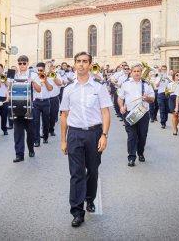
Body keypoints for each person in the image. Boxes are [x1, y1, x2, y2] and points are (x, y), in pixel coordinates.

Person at [60, 51, 112, 227]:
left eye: (85, 61)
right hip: (74, 134)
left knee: (93, 170)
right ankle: (77, 211)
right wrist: (63, 140)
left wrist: (104, 135)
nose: (81, 64)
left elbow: (105, 113)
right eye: (78, 61)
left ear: (90, 64)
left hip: (94, 133)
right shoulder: (68, 89)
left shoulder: (99, 88)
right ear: (74, 64)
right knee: (76, 173)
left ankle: (90, 198)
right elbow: (64, 115)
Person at [118, 64, 155, 166]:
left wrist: (147, 98)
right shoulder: (126, 84)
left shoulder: (146, 84)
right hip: (130, 113)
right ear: (131, 72)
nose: (137, 73)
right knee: (131, 136)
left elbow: (152, 99)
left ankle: (140, 152)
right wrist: (121, 107)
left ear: (141, 72)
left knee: (142, 135)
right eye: (134, 71)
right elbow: (120, 98)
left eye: (138, 71)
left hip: (143, 113)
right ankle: (131, 157)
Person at [11, 55, 39, 162]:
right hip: (17, 107)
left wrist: (33, 81)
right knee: (18, 132)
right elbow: (8, 88)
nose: (22, 65)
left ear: (27, 64)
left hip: (30, 107)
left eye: (24, 63)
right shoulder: (14, 75)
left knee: (30, 132)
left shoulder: (33, 75)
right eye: (20, 63)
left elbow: (39, 89)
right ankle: (19, 154)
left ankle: (31, 149)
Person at [33, 62, 53, 147]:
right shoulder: (34, 78)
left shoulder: (48, 77)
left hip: (46, 102)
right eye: (38, 70)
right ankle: (36, 140)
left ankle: (45, 137)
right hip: (36, 102)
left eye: (41, 70)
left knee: (46, 121)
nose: (40, 71)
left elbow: (50, 88)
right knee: (36, 122)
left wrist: (45, 80)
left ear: (44, 70)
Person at [46, 62, 63, 136]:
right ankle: (45, 130)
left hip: (54, 98)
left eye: (51, 66)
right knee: (45, 116)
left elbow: (60, 83)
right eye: (48, 66)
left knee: (53, 115)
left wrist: (53, 76)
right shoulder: (43, 75)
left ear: (53, 67)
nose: (49, 67)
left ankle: (51, 129)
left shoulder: (57, 74)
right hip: (46, 98)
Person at [0, 64, 9, 137]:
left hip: (4, 98)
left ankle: (4, 129)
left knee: (4, 116)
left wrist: (3, 77)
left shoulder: (6, 76)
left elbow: (8, 85)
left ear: (2, 70)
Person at [168, 70, 179, 135]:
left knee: (178, 115)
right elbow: (167, 92)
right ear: (174, 76)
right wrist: (172, 91)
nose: (178, 76)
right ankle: (174, 129)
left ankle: (175, 126)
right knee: (174, 114)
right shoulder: (170, 84)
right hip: (172, 98)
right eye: (176, 75)